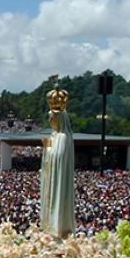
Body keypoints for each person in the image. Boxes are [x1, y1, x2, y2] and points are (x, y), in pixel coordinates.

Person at [40, 87, 75, 239]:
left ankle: (58, 227)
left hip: (58, 179)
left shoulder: (63, 137)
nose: (50, 121)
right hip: (50, 176)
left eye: (52, 118)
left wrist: (48, 151)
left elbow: (59, 158)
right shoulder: (53, 136)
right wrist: (46, 150)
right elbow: (48, 159)